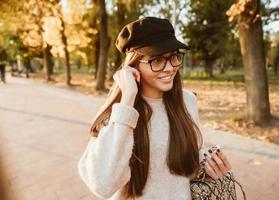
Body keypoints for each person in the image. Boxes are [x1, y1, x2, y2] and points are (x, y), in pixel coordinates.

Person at [78, 17, 233, 200]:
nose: (170, 68)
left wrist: (208, 165)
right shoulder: (117, 115)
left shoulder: (187, 101)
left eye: (174, 56)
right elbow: (103, 185)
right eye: (157, 60)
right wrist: (128, 97)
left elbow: (183, 162)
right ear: (134, 65)